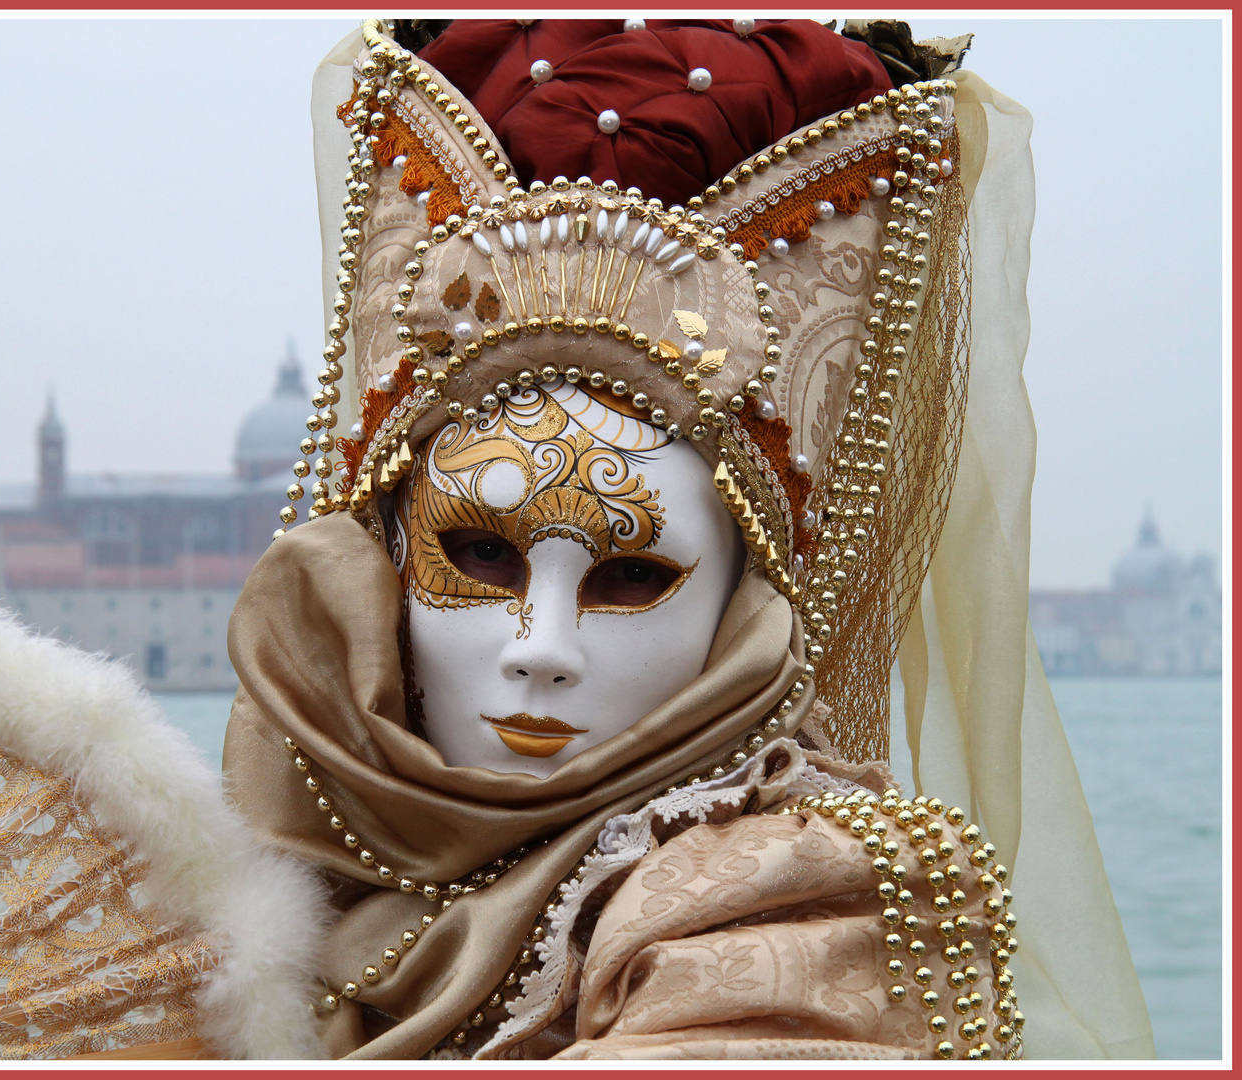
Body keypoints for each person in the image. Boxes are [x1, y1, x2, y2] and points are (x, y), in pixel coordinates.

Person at [223, 18, 1151, 1059]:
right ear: (383, 561)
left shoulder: (792, 915)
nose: (540, 649)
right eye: (480, 554)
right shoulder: (237, 865)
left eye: (628, 574)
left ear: (742, 606)